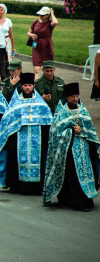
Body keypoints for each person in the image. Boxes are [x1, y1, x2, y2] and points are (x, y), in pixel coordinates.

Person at [0, 73, 53, 194]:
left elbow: (47, 124)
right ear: (21, 86)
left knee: (39, 161)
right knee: (15, 162)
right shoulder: (15, 104)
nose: (28, 88)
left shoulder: (41, 104)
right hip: (18, 142)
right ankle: (17, 186)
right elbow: (7, 124)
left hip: (37, 143)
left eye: (30, 85)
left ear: (33, 86)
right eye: (25, 85)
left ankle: (36, 188)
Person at [43, 83, 100, 212]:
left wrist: (83, 131)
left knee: (85, 173)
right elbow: (55, 132)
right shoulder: (61, 111)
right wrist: (71, 131)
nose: (75, 98)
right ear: (67, 97)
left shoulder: (82, 109)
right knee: (72, 175)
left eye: (77, 96)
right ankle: (75, 201)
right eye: (73, 96)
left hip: (83, 147)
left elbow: (89, 128)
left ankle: (86, 199)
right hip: (67, 149)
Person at [27, 6, 58, 78]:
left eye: (43, 15)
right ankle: (36, 86)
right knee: (36, 69)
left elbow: (55, 22)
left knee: (48, 69)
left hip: (47, 46)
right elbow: (28, 32)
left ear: (48, 15)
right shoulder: (35, 22)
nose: (40, 16)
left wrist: (52, 14)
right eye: (40, 14)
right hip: (36, 46)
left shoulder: (50, 23)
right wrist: (31, 35)